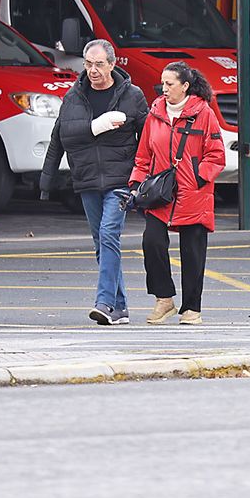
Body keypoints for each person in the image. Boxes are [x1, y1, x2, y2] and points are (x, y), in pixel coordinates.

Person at [40, 39, 148, 325]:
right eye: (88, 64)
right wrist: (46, 180)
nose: (93, 70)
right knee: (102, 242)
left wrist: (143, 176)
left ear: (112, 65)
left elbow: (148, 138)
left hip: (120, 178)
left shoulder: (132, 96)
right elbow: (61, 137)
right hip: (87, 178)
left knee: (110, 234)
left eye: (99, 64)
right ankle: (120, 307)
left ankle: (104, 303)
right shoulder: (74, 96)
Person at [130, 61, 226, 325]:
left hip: (193, 193)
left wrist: (198, 177)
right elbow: (142, 156)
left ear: (185, 86)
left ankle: (192, 309)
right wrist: (136, 184)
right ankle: (164, 299)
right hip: (161, 194)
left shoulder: (204, 113)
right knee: (152, 242)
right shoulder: (155, 114)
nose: (165, 89)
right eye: (163, 83)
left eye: (170, 84)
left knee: (193, 252)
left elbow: (217, 155)